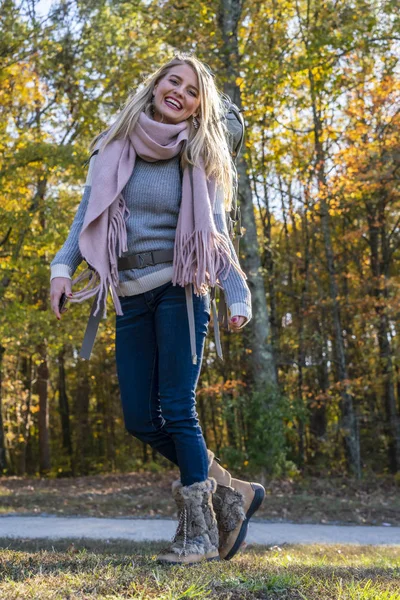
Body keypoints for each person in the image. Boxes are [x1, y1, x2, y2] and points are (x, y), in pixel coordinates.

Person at [49, 53, 264, 566]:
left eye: (191, 91)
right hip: (129, 292)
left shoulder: (200, 154)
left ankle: (198, 534)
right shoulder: (113, 147)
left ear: (196, 108)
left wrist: (238, 293)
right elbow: (87, 216)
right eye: (174, 81)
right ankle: (231, 491)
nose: (180, 93)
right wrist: (62, 268)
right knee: (141, 419)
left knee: (177, 405)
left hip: (182, 287)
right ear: (157, 85)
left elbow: (214, 233)